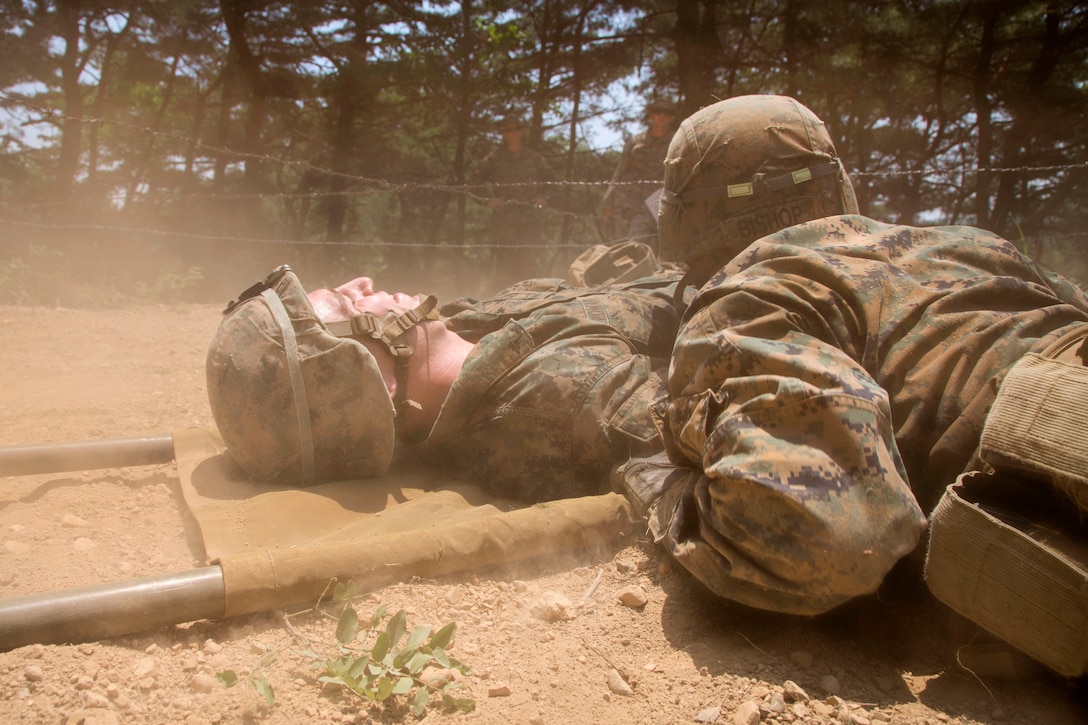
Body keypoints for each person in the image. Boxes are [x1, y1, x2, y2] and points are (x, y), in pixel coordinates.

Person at [617, 93, 1088, 617]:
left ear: (686, 217)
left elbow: (826, 540)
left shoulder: (758, 291)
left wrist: (662, 485)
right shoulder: (977, 245)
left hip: (1058, 445)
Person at [206, 264, 691, 503]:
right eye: (350, 304)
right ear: (375, 382)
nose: (362, 282)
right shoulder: (571, 398)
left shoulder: (459, 331)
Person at [472, 116, 554, 289]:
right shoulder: (494, 158)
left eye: (517, 128)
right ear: (503, 134)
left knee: (529, 261)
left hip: (530, 220)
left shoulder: (535, 158)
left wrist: (544, 198)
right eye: (509, 130)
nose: (514, 133)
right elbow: (474, 184)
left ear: (521, 131)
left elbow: (552, 184)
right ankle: (501, 305)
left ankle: (531, 303)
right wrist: (488, 201)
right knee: (504, 263)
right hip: (504, 222)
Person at [600, 100, 678, 252]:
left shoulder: (676, 142)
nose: (661, 117)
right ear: (650, 116)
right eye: (657, 113)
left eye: (666, 114)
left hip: (654, 202)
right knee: (619, 247)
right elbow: (619, 172)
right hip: (625, 201)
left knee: (640, 247)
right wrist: (607, 203)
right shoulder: (635, 142)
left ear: (671, 118)